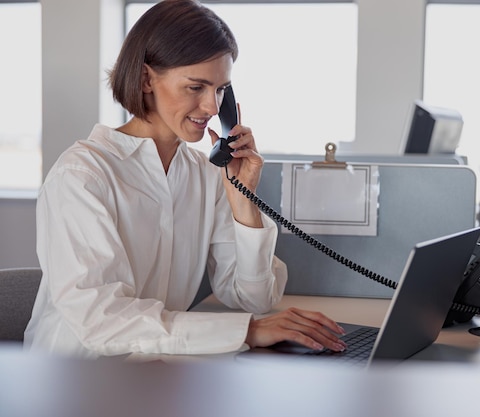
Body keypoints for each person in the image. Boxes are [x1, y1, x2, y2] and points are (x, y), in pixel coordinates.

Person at [24, 0, 346, 358]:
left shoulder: (206, 176)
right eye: (196, 87)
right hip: (77, 382)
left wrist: (244, 201)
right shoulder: (82, 177)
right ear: (147, 79)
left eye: (221, 90)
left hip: (160, 370)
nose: (212, 107)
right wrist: (249, 331)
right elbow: (104, 322)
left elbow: (253, 298)